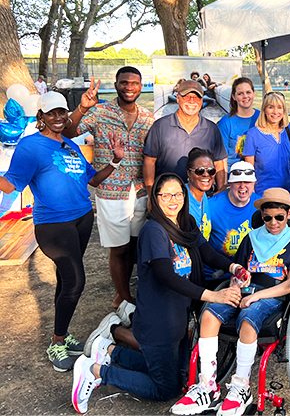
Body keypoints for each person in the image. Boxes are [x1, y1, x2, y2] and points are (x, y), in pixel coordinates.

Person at [70, 173, 242, 413]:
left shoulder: (187, 224)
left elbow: (206, 251)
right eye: (166, 195)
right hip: (158, 320)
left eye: (178, 194)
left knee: (177, 373)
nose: (173, 200)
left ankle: (109, 351)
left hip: (179, 316)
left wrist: (233, 267)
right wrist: (213, 296)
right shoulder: (153, 231)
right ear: (156, 198)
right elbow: (166, 275)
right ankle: (95, 371)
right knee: (167, 389)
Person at [0, 92, 124, 372]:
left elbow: (92, 179)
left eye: (62, 112)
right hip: (54, 225)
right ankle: (56, 343)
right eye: (51, 113)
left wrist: (115, 162)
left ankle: (64, 335)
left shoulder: (71, 145)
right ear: (40, 117)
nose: (59, 117)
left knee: (65, 280)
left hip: (81, 219)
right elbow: (10, 185)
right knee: (76, 281)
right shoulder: (30, 147)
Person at [170, 188, 290, 416]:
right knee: (209, 314)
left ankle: (241, 387)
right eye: (267, 218)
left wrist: (256, 296)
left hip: (272, 294)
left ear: (289, 215)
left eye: (279, 217)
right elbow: (240, 270)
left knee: (248, 318)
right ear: (261, 216)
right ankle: (207, 385)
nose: (273, 223)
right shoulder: (250, 238)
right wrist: (235, 286)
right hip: (244, 289)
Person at [63, 67, 154, 311]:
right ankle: (123, 296)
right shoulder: (99, 111)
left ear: (141, 85)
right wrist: (82, 108)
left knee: (136, 245)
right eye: (124, 83)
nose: (129, 87)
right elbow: (69, 133)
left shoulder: (147, 117)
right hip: (111, 191)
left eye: (134, 83)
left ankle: (128, 289)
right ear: (116, 85)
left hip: (140, 192)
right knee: (119, 247)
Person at [144, 80, 228, 197]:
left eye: (196, 97)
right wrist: (151, 194)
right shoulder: (160, 126)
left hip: (201, 197)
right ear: (177, 98)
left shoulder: (211, 129)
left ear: (202, 100)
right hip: (167, 197)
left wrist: (219, 194)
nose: (192, 101)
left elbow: (219, 163)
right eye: (186, 96)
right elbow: (149, 161)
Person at [206, 161, 260, 282]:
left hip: (250, 274)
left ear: (254, 183)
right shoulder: (211, 206)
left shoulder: (261, 205)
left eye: (247, 182)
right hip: (217, 275)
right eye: (237, 182)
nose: (242, 186)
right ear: (230, 183)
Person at [243, 92, 290, 195]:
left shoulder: (289, 130)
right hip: (263, 194)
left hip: (288, 193)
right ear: (264, 110)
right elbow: (248, 170)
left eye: (279, 107)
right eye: (271, 107)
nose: (275, 112)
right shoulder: (253, 134)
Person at [217, 77, 260, 168]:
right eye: (240, 93)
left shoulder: (262, 118)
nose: (245, 96)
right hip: (233, 175)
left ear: (254, 94)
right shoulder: (225, 123)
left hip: (259, 175)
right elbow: (221, 159)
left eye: (248, 92)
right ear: (234, 96)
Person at [186, 148, 215, 241]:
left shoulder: (204, 197)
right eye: (200, 171)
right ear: (189, 173)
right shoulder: (180, 198)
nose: (206, 175)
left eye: (211, 171)